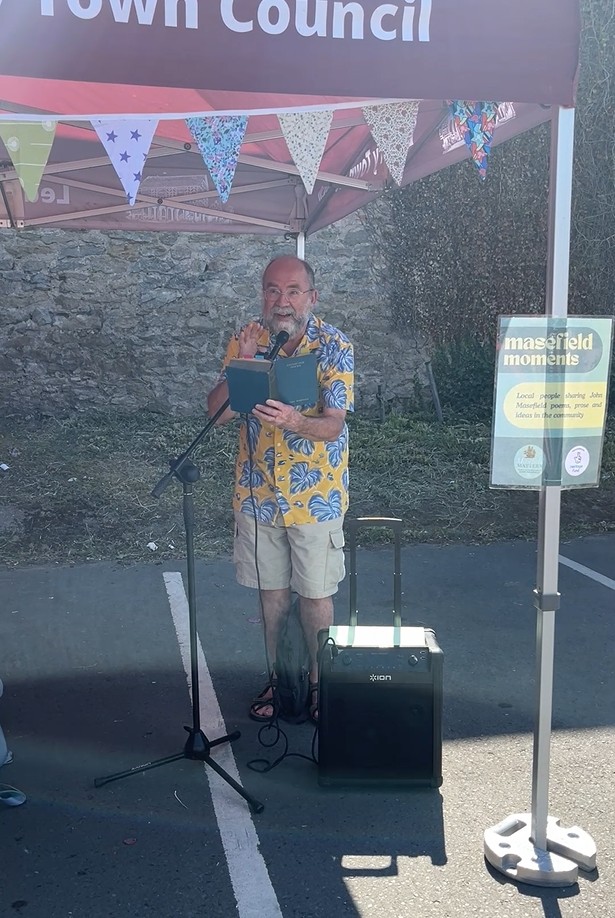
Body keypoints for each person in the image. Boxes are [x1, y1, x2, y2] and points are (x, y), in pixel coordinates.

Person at [207, 255, 354, 723]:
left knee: (314, 595)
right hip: (258, 494)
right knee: (272, 594)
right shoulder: (247, 338)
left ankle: (317, 683)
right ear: (262, 295)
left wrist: (296, 421)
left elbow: (333, 426)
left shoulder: (334, 345)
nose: (282, 300)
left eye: (293, 291)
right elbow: (216, 413)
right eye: (273, 290)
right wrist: (244, 363)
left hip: (317, 496)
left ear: (312, 296)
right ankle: (281, 681)